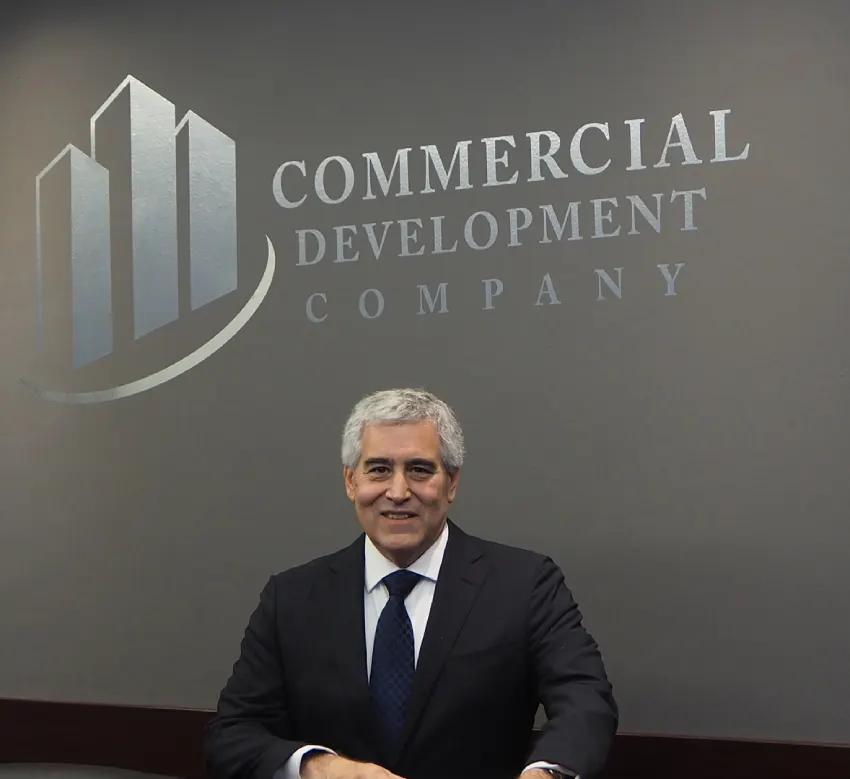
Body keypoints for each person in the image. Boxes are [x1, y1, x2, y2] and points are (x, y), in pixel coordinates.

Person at [204, 388, 618, 779]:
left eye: (419, 470)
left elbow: (585, 699)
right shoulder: (291, 598)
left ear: (451, 482)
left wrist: (545, 773)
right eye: (379, 469)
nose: (398, 491)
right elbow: (233, 734)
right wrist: (321, 768)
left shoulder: (524, 584)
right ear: (351, 481)